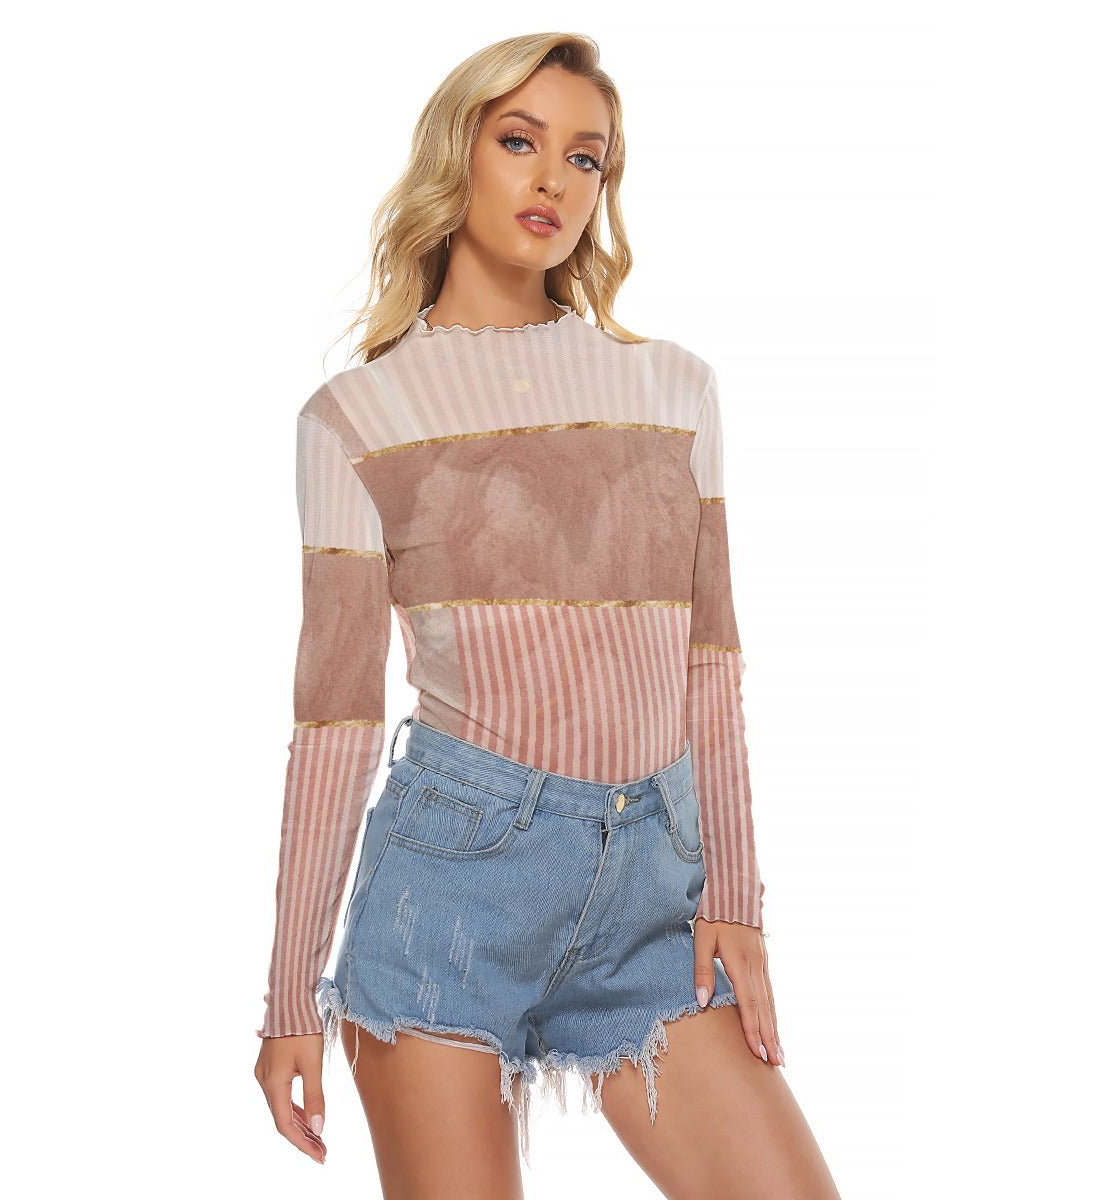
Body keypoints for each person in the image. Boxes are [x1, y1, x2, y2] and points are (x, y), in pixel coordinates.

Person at [254, 32, 841, 1200]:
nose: (554, 181)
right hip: (450, 894)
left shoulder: (674, 389)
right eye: (520, 142)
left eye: (586, 158)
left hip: (655, 901)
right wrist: (288, 1002)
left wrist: (735, 899)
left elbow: (710, 660)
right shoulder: (353, 419)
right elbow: (334, 723)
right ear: (456, 156)